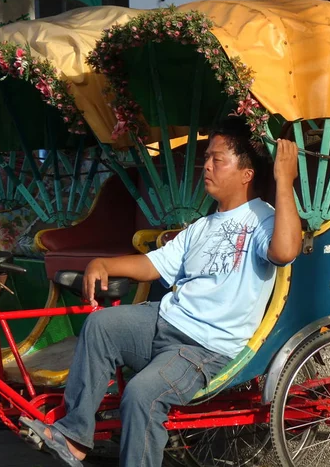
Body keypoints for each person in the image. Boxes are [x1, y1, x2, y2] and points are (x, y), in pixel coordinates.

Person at [20, 117, 303, 467]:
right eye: (207, 159)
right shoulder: (202, 225)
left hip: (203, 347)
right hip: (163, 319)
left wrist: (283, 180)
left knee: (142, 395)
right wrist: (103, 264)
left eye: (218, 159)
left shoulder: (263, 219)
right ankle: (75, 436)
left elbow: (286, 251)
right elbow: (153, 265)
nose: (207, 167)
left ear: (246, 173)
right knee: (100, 325)